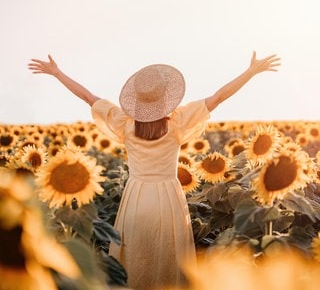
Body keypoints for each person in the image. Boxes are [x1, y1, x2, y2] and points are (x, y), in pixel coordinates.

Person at [28, 51, 281, 289]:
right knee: (167, 258)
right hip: (168, 198)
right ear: (165, 98)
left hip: (136, 198)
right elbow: (218, 97)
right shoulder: (178, 124)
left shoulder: (125, 125)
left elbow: (88, 97)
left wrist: (57, 73)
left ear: (137, 101)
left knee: (136, 256)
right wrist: (250, 72)